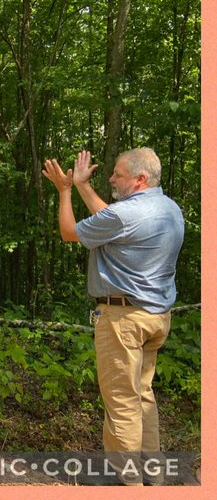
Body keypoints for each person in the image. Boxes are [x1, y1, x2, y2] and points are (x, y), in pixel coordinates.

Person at [42, 147, 185, 477]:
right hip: (156, 318)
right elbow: (112, 220)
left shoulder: (125, 215)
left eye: (117, 174)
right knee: (143, 397)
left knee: (121, 404)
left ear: (139, 179)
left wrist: (65, 191)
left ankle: (127, 485)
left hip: (124, 321)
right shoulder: (169, 208)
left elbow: (69, 233)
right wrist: (82, 185)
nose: (109, 178)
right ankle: (154, 479)